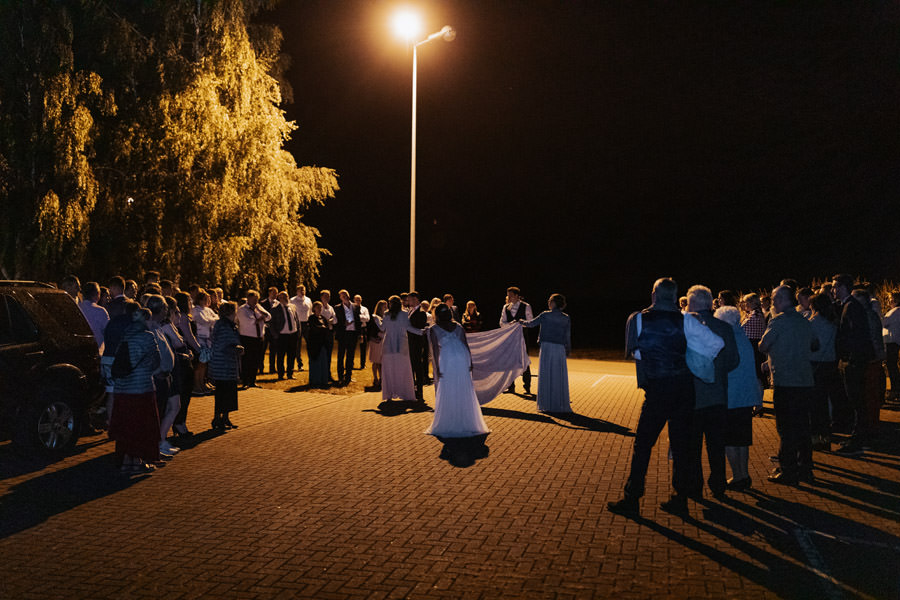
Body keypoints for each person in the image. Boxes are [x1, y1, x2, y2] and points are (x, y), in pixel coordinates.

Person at [608, 278, 724, 516]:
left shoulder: (638, 318)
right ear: (674, 297)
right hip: (683, 388)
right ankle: (679, 499)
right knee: (682, 446)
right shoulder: (686, 320)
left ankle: (633, 498)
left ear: (653, 295)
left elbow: (636, 353)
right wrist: (691, 359)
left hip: (658, 388)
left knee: (643, 445)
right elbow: (717, 344)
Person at [759, 285, 818, 484]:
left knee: (786, 428)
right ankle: (806, 468)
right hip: (805, 380)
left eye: (775, 299)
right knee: (803, 426)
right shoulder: (804, 321)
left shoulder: (778, 321)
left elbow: (763, 345)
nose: (773, 303)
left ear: (782, 299)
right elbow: (814, 343)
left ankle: (788, 470)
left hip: (785, 381)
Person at [686, 285, 739, 502]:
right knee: (716, 445)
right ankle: (718, 485)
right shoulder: (724, 328)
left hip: (692, 397)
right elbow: (734, 360)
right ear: (709, 304)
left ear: (692, 304)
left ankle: (695, 487)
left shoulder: (686, 326)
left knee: (692, 447)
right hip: (717, 395)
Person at [714, 306, 763, 491]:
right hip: (746, 395)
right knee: (742, 440)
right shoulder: (742, 336)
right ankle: (744, 474)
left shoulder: (726, 338)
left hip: (731, 396)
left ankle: (737, 475)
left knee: (729, 440)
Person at [108, 307, 162, 474]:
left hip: (123, 388)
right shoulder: (148, 337)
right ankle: (138, 461)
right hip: (141, 388)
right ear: (146, 320)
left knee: (126, 426)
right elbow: (156, 361)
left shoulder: (124, 336)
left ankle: (125, 461)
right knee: (141, 425)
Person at [425, 304, 490, 437]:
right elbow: (465, 344)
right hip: (461, 357)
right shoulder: (458, 326)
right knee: (463, 388)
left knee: (448, 389)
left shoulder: (433, 329)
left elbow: (435, 350)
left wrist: (436, 368)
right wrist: (470, 361)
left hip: (447, 358)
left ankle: (449, 421)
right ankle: (467, 420)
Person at [831, 273, 873, 455]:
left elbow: (856, 336)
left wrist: (851, 359)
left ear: (842, 287)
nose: (832, 290)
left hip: (853, 361)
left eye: (834, 286)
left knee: (857, 401)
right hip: (852, 360)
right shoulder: (849, 306)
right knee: (856, 400)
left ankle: (859, 439)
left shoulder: (851, 307)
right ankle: (858, 436)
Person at [523, 293, 572, 413]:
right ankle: (559, 403)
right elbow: (567, 336)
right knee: (558, 375)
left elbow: (531, 324)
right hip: (560, 349)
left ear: (554, 303)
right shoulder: (566, 317)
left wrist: (520, 322)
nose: (548, 303)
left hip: (547, 348)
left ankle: (547, 404)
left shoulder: (545, 315)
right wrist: (568, 349)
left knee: (546, 374)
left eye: (550, 301)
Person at [145, 295, 180, 457]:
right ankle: (154, 445)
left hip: (166, 375)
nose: (167, 310)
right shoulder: (149, 326)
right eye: (165, 307)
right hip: (158, 376)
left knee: (172, 406)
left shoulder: (158, 324)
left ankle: (161, 440)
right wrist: (157, 370)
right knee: (158, 411)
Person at [808, 292, 839, 451]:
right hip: (830, 363)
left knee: (815, 404)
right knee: (825, 401)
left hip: (815, 364)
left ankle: (815, 438)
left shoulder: (812, 323)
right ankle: (826, 437)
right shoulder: (832, 321)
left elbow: (810, 345)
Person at [383, 295, 424, 402]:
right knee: (403, 370)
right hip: (402, 344)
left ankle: (389, 394)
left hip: (388, 345)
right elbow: (408, 327)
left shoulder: (386, 314)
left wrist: (376, 319)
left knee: (390, 369)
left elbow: (382, 328)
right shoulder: (404, 314)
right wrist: (421, 332)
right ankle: (405, 393)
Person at [209, 302, 243, 431]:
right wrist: (238, 348)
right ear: (230, 312)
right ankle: (218, 418)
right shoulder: (223, 326)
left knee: (229, 392)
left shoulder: (229, 325)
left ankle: (225, 417)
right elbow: (224, 345)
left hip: (227, 365)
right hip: (223, 365)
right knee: (223, 392)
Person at [172, 292, 201, 437]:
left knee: (184, 392)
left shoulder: (183, 317)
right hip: (184, 357)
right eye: (189, 301)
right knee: (184, 392)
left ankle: (179, 422)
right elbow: (189, 337)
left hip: (186, 354)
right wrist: (200, 350)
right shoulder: (183, 318)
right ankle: (179, 423)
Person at [501, 286, 534, 395]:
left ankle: (527, 387)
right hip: (510, 338)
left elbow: (530, 322)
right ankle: (510, 386)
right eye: (508, 295)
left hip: (522, 337)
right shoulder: (506, 307)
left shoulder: (526, 306)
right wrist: (509, 325)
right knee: (510, 361)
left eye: (511, 296)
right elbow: (502, 323)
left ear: (516, 296)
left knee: (524, 361)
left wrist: (521, 323)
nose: (509, 298)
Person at [236, 290, 270, 388]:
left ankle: (252, 380)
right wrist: (261, 318)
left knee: (256, 359)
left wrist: (261, 313)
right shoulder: (242, 309)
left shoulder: (258, 308)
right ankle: (245, 381)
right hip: (247, 338)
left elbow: (268, 317)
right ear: (248, 298)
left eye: (257, 299)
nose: (255, 301)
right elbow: (249, 322)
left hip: (259, 337)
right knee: (247, 360)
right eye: (253, 299)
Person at [191, 290, 218, 395]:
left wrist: (210, 320)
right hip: (200, 338)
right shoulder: (195, 310)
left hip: (208, 339)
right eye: (207, 299)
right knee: (200, 364)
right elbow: (203, 321)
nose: (209, 301)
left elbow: (217, 318)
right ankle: (196, 385)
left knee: (205, 364)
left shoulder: (208, 310)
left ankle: (202, 384)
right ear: (201, 300)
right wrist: (211, 320)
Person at [272, 291, 300, 380]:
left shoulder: (293, 306)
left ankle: (290, 373)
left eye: (287, 297)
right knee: (281, 355)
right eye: (283, 297)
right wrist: (275, 335)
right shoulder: (275, 309)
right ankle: (281, 374)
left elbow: (297, 320)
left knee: (292, 355)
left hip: (293, 334)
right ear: (279, 299)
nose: (286, 299)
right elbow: (271, 324)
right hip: (282, 335)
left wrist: (298, 332)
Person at [406, 291, 429, 402]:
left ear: (415, 299)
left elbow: (419, 328)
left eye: (409, 299)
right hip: (410, 343)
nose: (407, 301)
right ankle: (413, 388)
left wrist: (408, 328)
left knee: (417, 366)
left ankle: (419, 390)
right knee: (412, 366)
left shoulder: (421, 313)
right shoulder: (410, 311)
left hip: (416, 343)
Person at [78, 282, 110, 351]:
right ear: (98, 294)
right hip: (98, 350)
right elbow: (108, 331)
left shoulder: (77, 308)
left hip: (80, 349)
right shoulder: (101, 311)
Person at [306, 301, 330, 387]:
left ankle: (323, 380)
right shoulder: (311, 318)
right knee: (315, 362)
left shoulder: (323, 318)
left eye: (321, 307)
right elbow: (314, 329)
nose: (319, 309)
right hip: (314, 344)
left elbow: (327, 329)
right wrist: (323, 329)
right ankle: (315, 380)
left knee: (323, 362)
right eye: (318, 307)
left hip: (323, 343)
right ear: (314, 308)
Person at [290, 284, 313, 373]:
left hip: (306, 324)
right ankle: (300, 364)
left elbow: (310, 312)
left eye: (304, 290)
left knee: (310, 343)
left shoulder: (308, 300)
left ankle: (311, 362)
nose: (302, 292)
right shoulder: (292, 300)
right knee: (297, 345)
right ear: (297, 291)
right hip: (297, 324)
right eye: (301, 290)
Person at [884, 291, 900, 401]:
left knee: (892, 366)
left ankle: (895, 390)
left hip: (892, 342)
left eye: (890, 299)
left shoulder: (896, 311)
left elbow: (884, 323)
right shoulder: (895, 311)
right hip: (892, 341)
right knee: (892, 366)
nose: (889, 301)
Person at [367, 300, 387, 390]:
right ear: (379, 307)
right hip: (376, 340)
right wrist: (372, 337)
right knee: (376, 361)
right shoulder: (375, 317)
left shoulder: (385, 317)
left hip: (382, 340)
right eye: (384, 306)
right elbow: (371, 329)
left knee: (381, 361)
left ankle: (381, 378)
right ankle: (375, 378)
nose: (386, 308)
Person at [260, 287, 279, 375]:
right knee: (262, 349)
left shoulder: (278, 304)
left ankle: (272, 368)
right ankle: (261, 368)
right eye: (274, 293)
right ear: (269, 293)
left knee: (273, 349)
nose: (275, 295)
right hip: (265, 328)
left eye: (276, 293)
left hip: (274, 329)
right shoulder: (263, 303)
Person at [319, 290, 337, 383]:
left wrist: (330, 321)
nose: (327, 298)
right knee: (322, 354)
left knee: (329, 355)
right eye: (325, 296)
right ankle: (322, 375)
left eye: (328, 296)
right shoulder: (319, 307)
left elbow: (335, 319)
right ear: (321, 297)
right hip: (321, 334)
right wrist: (328, 321)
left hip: (329, 333)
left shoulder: (330, 308)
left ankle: (328, 374)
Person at [355, 294, 371, 370]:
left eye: (359, 299)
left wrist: (358, 317)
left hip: (362, 329)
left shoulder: (364, 309)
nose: (358, 301)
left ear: (361, 300)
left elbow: (367, 318)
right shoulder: (352, 308)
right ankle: (351, 363)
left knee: (363, 347)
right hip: (354, 329)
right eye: (356, 300)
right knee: (352, 346)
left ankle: (362, 364)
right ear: (354, 300)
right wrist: (361, 318)